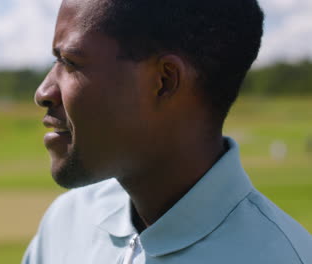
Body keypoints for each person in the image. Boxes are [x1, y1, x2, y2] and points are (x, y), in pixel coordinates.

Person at [23, 0, 312, 263]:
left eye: (70, 62)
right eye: (55, 61)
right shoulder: (66, 222)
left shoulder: (282, 256)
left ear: (164, 81)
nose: (44, 92)